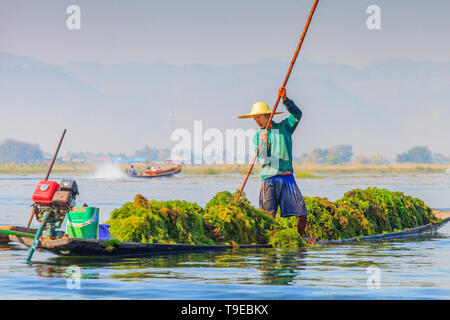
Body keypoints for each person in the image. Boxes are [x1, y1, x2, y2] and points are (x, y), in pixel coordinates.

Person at [238, 87, 311, 242]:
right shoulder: (258, 136)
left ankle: (299, 239)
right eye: (254, 118)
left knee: (302, 214)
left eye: (259, 117)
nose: (257, 120)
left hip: (287, 178)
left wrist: (285, 100)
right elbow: (265, 159)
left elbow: (298, 114)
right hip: (269, 180)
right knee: (269, 217)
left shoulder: (284, 128)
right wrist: (263, 143)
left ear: (268, 115)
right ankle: (267, 243)